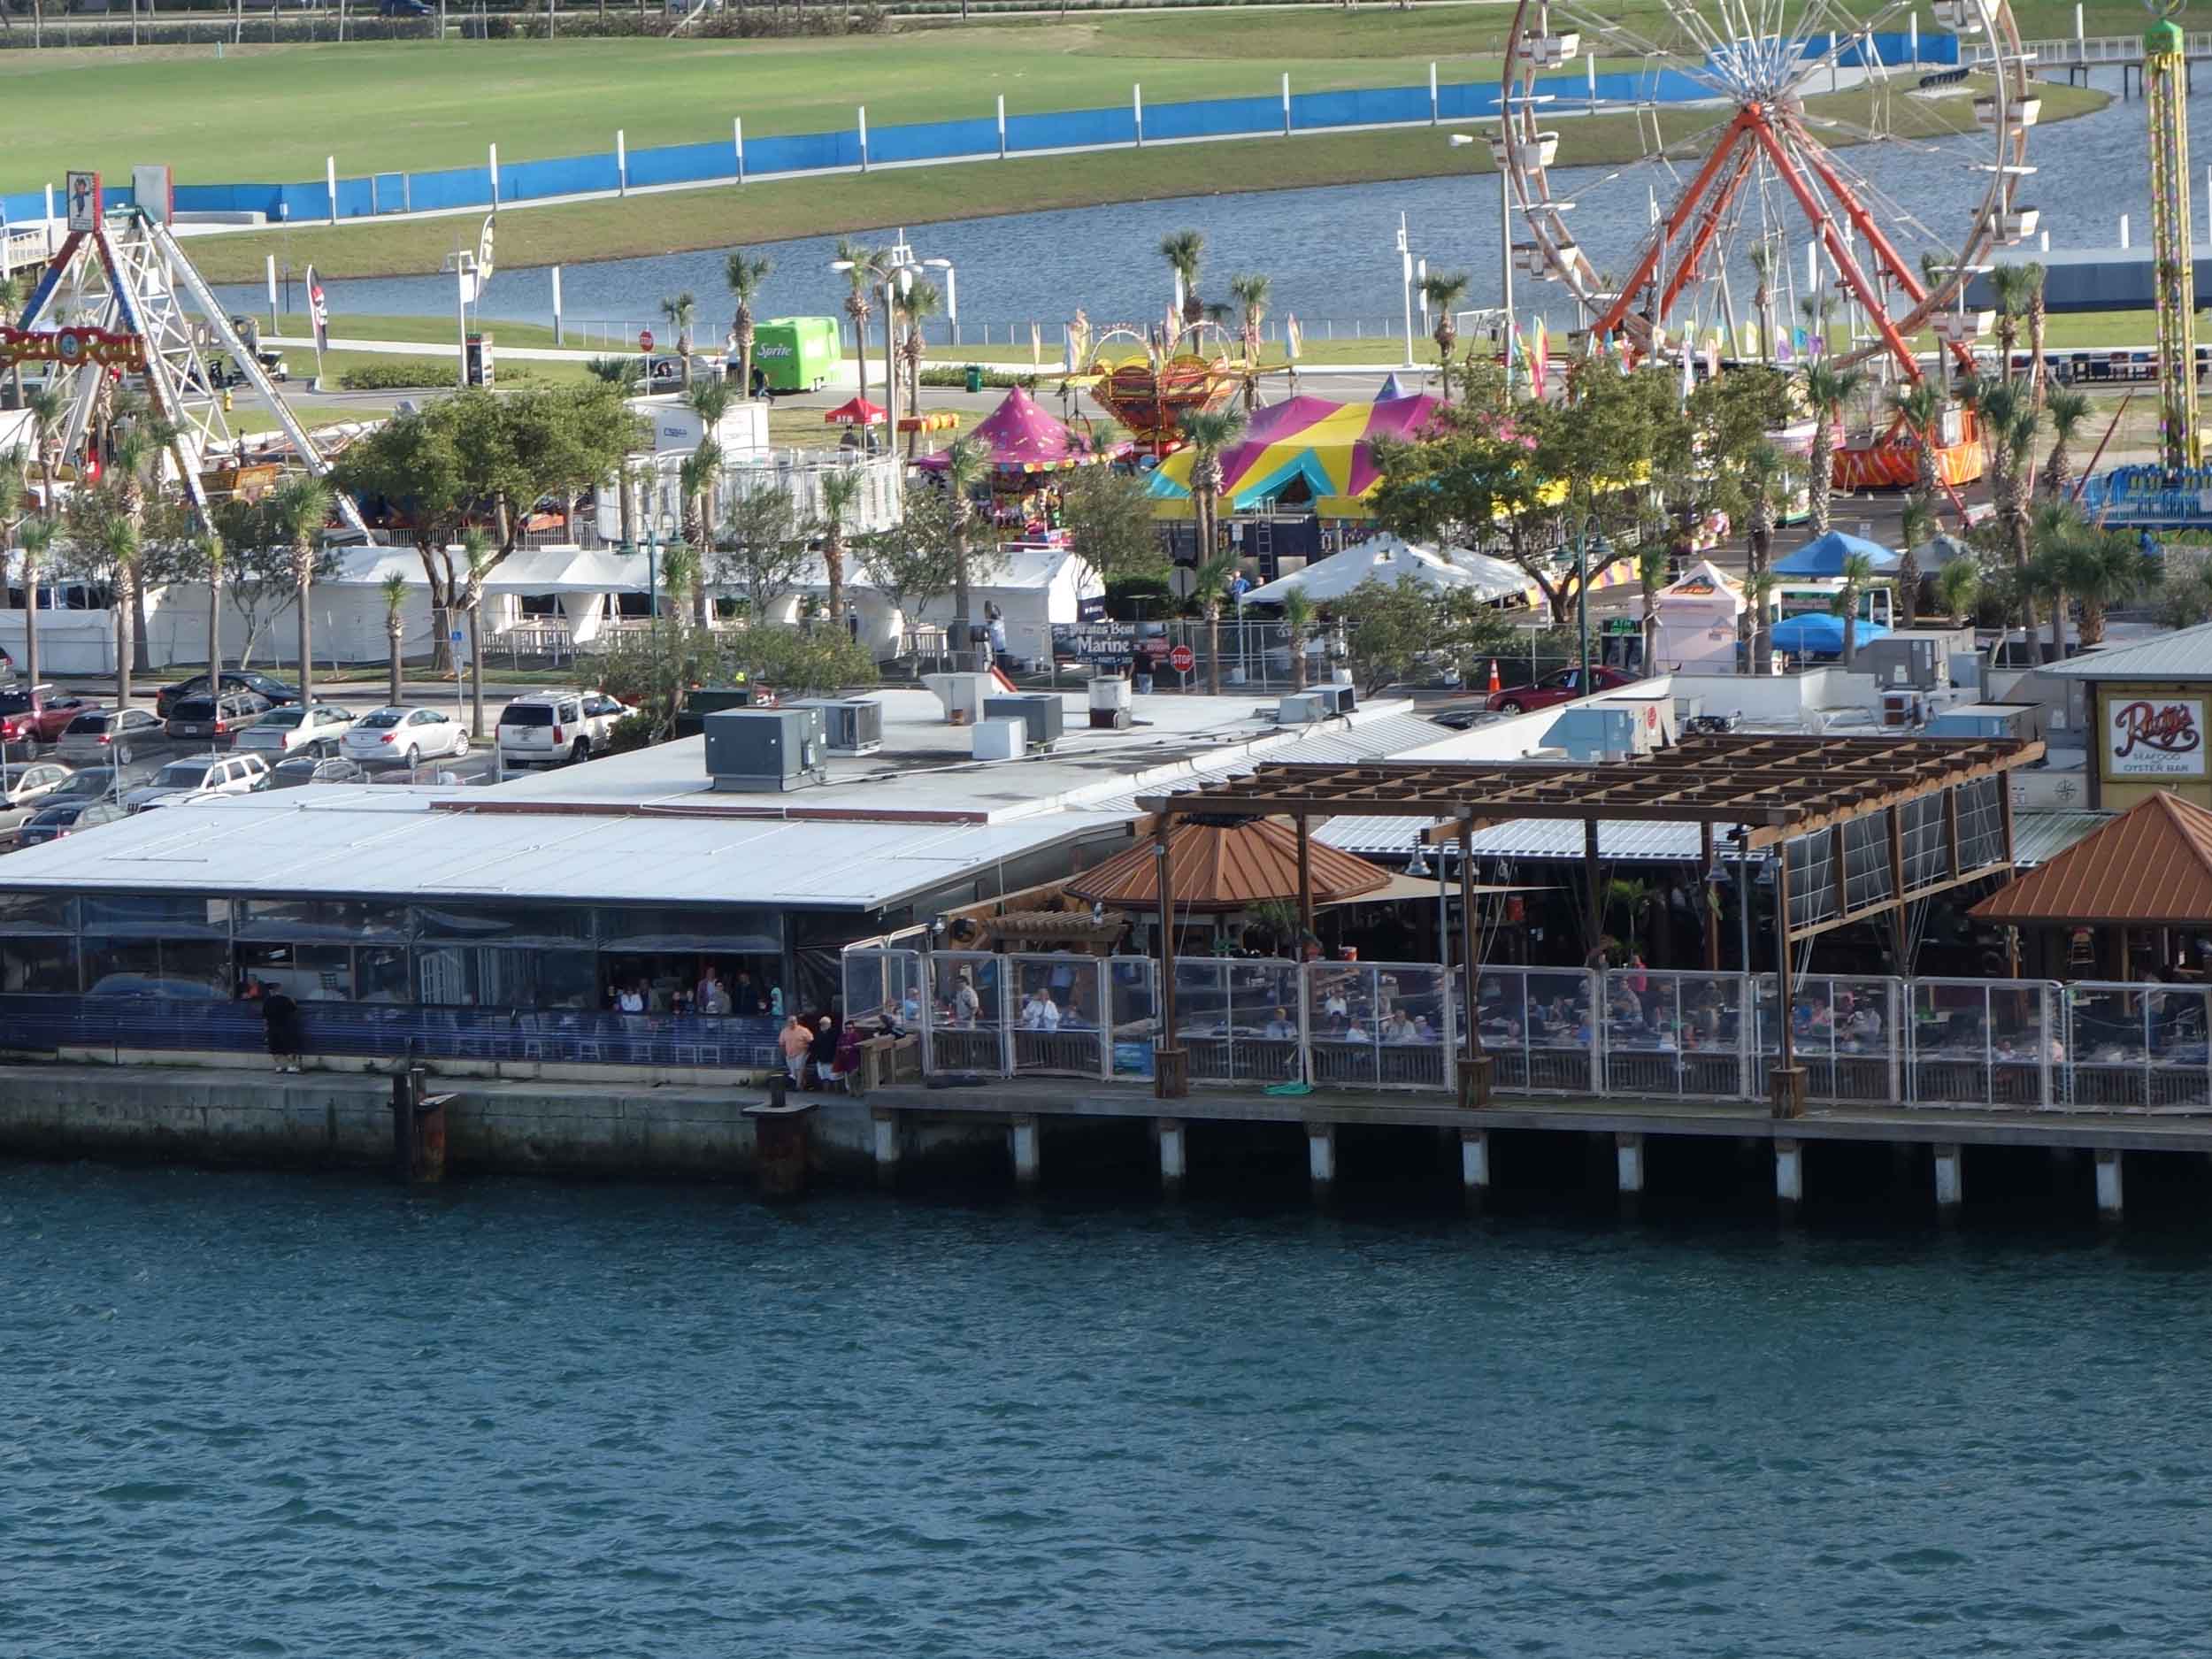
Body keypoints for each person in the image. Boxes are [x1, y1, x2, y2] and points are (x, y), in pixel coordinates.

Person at [250, 979, 304, 1073]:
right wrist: (293, 1002)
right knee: (288, 1048)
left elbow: (265, 1018)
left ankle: (280, 1066)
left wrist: (266, 1030)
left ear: (270, 991)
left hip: (272, 1029)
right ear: (279, 989)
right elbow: (294, 1010)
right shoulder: (286, 1000)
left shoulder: (267, 1002)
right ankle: (290, 1066)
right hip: (285, 1028)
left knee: (275, 1050)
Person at [778, 1012, 812, 1084]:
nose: (792, 1023)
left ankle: (798, 1086)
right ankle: (800, 1084)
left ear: (797, 1021)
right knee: (793, 1072)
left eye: (794, 1021)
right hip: (789, 1054)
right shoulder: (784, 1031)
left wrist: (807, 1050)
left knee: (799, 1069)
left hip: (801, 1052)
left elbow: (811, 1041)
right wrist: (784, 1054)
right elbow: (782, 1044)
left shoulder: (804, 1030)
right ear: (787, 1022)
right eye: (790, 1021)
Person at [808, 1015, 839, 1090]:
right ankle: (826, 1092)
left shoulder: (834, 1033)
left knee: (834, 1077)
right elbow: (814, 1046)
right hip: (821, 1059)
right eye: (821, 1024)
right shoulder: (818, 1034)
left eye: (824, 1023)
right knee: (824, 1077)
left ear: (829, 1024)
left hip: (832, 1059)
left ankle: (836, 1092)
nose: (822, 1025)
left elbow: (836, 1045)